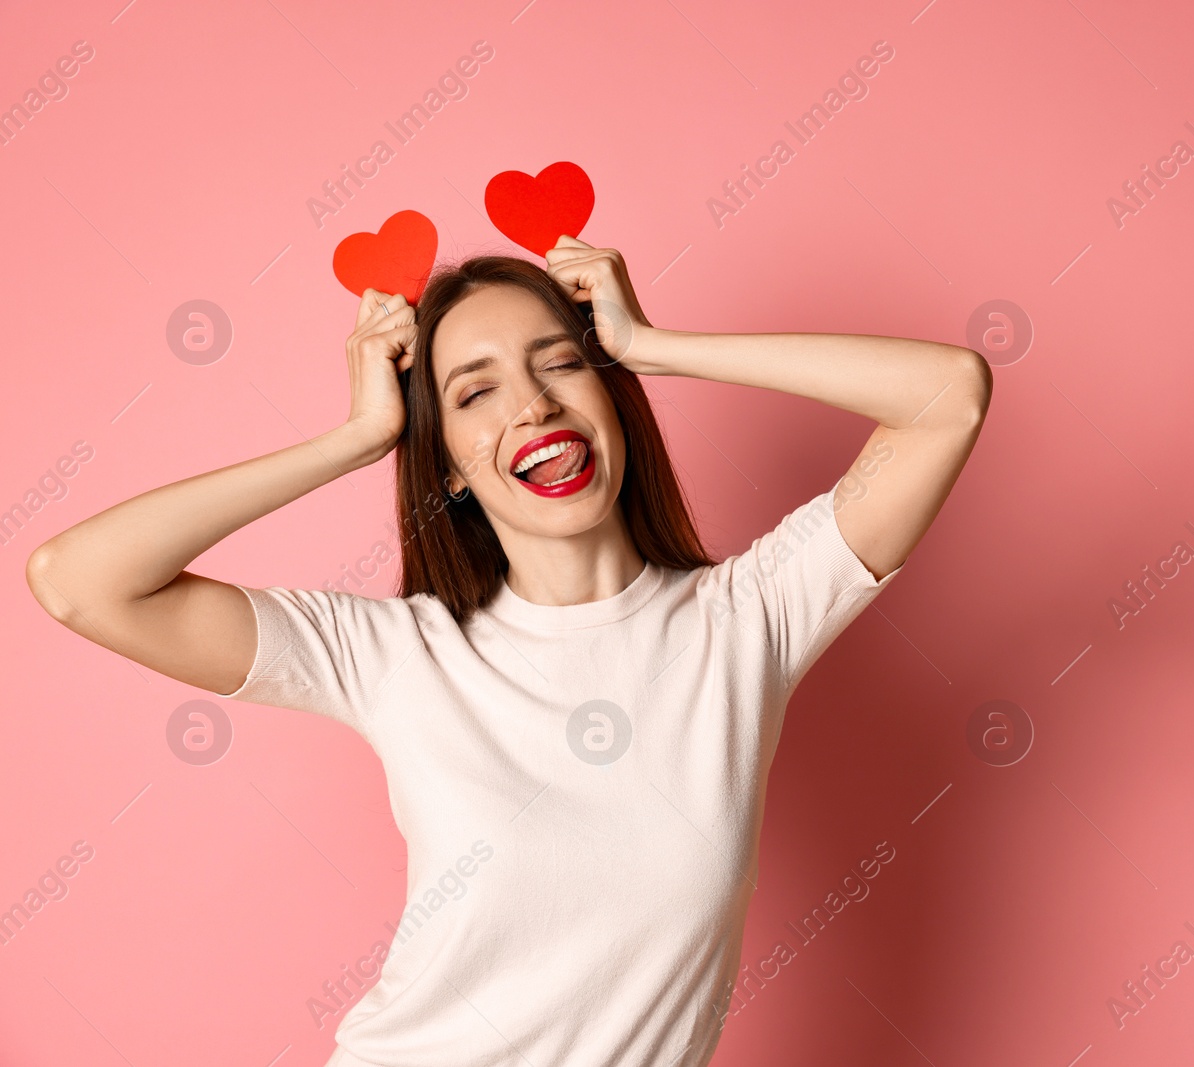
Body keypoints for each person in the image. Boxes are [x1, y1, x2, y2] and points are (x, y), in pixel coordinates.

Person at [25, 235, 993, 1066]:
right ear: (443, 453)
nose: (529, 405)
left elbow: (946, 393)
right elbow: (79, 577)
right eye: (475, 390)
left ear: (609, 394)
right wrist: (360, 435)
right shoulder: (398, 655)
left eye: (560, 363)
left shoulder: (747, 620)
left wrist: (652, 344)